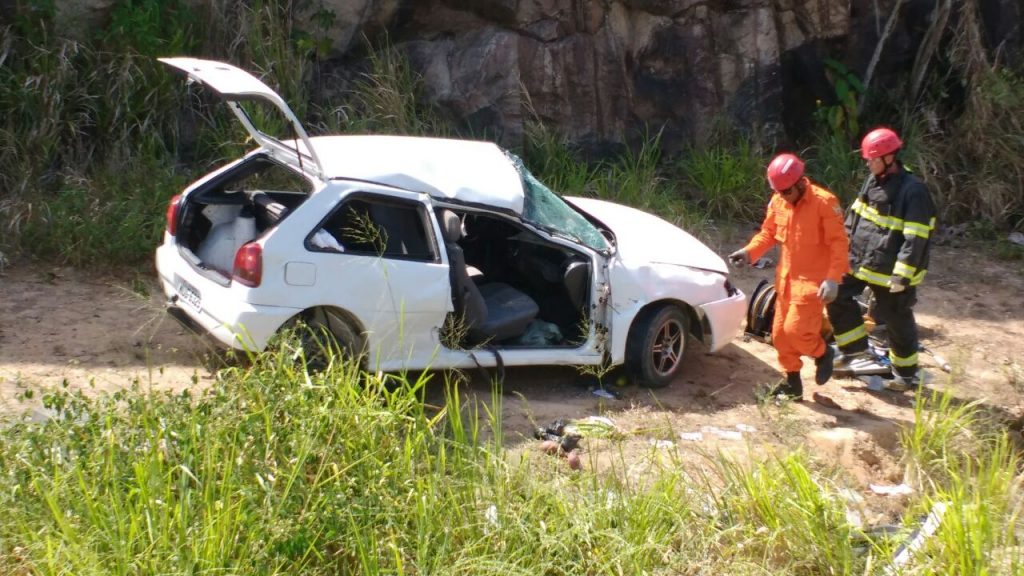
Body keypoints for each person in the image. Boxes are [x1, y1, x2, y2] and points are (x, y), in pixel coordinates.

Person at [729, 153, 850, 401]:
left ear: (800, 183)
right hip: (785, 280)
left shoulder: (824, 203)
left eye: (786, 192)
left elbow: (839, 244)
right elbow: (768, 233)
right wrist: (749, 252)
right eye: (779, 192)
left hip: (812, 284)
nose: (782, 196)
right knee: (780, 336)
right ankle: (793, 385)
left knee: (797, 332)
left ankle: (822, 353)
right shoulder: (779, 201)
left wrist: (833, 279)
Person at [826, 127, 936, 390]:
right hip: (860, 261)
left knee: (896, 318)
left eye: (873, 159)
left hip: (890, 271)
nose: (869, 163)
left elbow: (916, 237)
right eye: (868, 159)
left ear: (890, 158)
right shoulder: (873, 181)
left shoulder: (914, 192)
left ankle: (906, 373)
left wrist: (903, 275)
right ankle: (855, 351)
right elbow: (855, 217)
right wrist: (840, 252)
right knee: (836, 294)